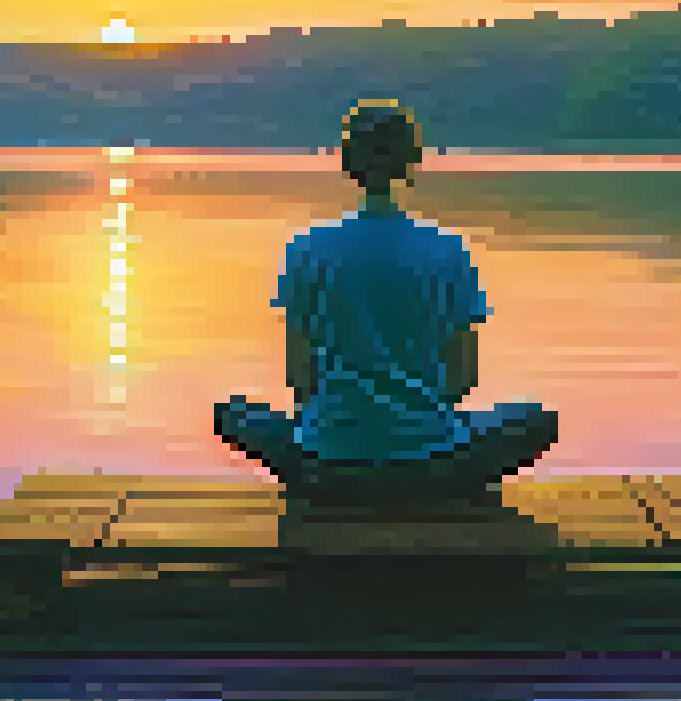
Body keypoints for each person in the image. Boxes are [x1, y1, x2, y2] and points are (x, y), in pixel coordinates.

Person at [216, 99, 557, 505]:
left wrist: (345, 424)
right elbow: (462, 380)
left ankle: (332, 482)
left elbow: (300, 380)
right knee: (536, 421)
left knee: (233, 414)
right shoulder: (449, 250)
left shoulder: (306, 249)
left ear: (347, 165)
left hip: (325, 463)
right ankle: (435, 486)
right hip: (433, 461)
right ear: (412, 163)